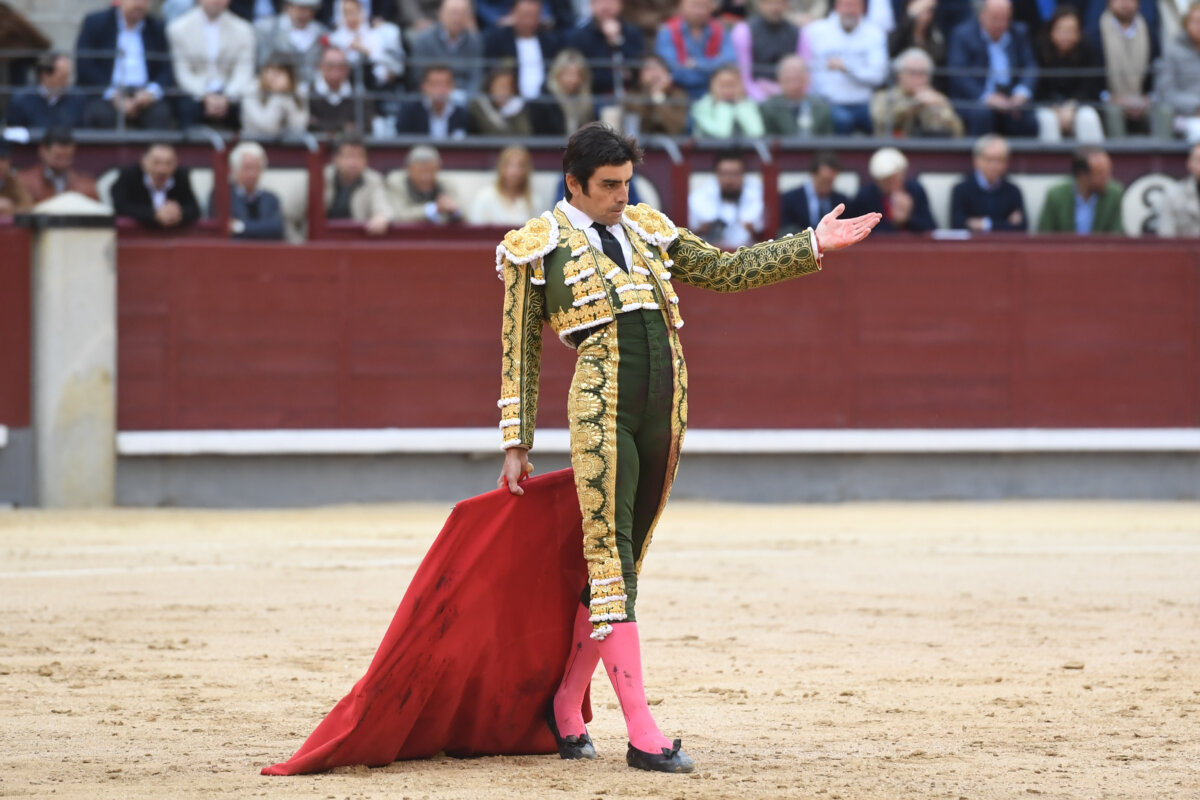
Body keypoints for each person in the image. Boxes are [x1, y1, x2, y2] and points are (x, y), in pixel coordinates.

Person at [75, 0, 177, 130]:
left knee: (161, 114)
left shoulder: (156, 27)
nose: (140, 4)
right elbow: (85, 66)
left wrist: (150, 93)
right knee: (101, 115)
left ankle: (156, 151)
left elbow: (166, 69)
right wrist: (113, 95)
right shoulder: (95, 22)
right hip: (107, 93)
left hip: (144, 94)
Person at [946, 0, 1039, 137]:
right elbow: (958, 74)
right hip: (978, 99)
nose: (1000, 24)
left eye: (1005, 19)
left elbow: (1030, 66)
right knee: (982, 115)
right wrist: (987, 97)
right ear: (982, 15)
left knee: (1027, 118)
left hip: (1011, 98)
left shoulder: (1019, 32)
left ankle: (1026, 159)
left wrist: (1021, 93)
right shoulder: (962, 34)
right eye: (995, 19)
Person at [800, 0, 889, 134]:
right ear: (836, 7)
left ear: (863, 9)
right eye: (846, 5)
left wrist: (847, 68)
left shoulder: (875, 33)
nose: (849, 11)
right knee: (842, 120)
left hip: (865, 103)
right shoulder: (814, 31)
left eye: (854, 6)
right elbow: (804, 68)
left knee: (883, 119)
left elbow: (878, 76)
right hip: (826, 103)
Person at [168, 0, 258, 128]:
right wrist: (205, 96)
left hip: (230, 93)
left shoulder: (244, 29)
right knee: (185, 106)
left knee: (248, 105)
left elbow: (244, 72)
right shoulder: (178, 28)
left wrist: (227, 97)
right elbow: (183, 74)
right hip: (195, 94)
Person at [1033, 5, 1106, 142]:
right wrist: (1055, 107)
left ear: (1079, 33)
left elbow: (1089, 87)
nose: (1065, 35)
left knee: (1088, 117)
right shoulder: (1039, 49)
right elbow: (1038, 87)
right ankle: (1051, 163)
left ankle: (1093, 162)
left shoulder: (1087, 50)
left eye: (1070, 31)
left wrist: (1072, 106)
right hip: (1048, 106)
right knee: (1046, 120)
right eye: (1061, 30)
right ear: (1051, 31)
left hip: (1077, 105)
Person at [1088, 0, 1159, 137]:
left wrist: (1147, 98)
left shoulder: (1150, 30)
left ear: (1138, 4)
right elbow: (1090, 78)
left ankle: (1160, 158)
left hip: (1143, 99)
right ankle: (1117, 157)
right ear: (1109, 3)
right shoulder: (1094, 32)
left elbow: (1157, 69)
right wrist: (1109, 98)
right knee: (1113, 112)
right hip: (1107, 99)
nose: (1125, 3)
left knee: (1163, 113)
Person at [870, 47, 964, 136]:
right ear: (900, 75)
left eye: (922, 73)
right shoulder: (884, 96)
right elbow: (880, 120)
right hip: (893, 148)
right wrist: (914, 104)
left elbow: (958, 131)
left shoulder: (937, 99)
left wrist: (938, 108)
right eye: (912, 73)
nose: (918, 79)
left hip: (929, 149)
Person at [655, 0, 738, 99]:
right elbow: (671, 67)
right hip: (676, 91)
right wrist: (711, 67)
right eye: (695, 6)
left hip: (713, 92)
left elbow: (730, 60)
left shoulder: (720, 30)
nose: (699, 11)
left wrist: (695, 64)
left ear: (711, 8)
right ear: (681, 6)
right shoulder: (667, 30)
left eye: (704, 6)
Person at [110, 142, 202, 229]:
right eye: (156, 162)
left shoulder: (181, 177)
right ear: (144, 162)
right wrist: (154, 215)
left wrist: (179, 213)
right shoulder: (129, 176)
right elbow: (120, 206)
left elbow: (194, 209)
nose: (162, 169)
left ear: (176, 164)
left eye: (168, 163)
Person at [483, 0, 560, 102]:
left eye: (534, 16)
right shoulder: (498, 40)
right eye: (525, 15)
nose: (529, 21)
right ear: (513, 13)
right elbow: (490, 73)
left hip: (544, 102)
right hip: (510, 100)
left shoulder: (549, 42)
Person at [1037, 146, 1125, 234]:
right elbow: (1044, 236)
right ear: (1082, 175)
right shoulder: (1055, 195)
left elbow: (1116, 236)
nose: (1107, 178)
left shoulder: (1114, 194)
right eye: (1100, 174)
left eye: (1107, 172)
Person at [567, 0, 645, 98]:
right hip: (594, 96)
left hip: (631, 95)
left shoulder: (633, 33)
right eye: (601, 2)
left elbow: (637, 69)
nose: (606, 7)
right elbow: (584, 75)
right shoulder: (579, 37)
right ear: (591, 6)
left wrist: (617, 41)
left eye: (611, 2)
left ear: (621, 5)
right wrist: (621, 76)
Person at [687, 149, 765, 248]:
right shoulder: (698, 199)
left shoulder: (759, 198)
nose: (729, 180)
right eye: (724, 174)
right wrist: (701, 230)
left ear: (743, 175)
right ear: (716, 174)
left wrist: (754, 231)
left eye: (735, 174)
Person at [949, 134, 1027, 231]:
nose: (994, 165)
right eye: (989, 159)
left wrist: (984, 224)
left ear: (1007, 163)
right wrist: (1005, 224)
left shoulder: (1013, 191)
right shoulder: (961, 189)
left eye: (999, 160)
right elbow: (958, 226)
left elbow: (1021, 228)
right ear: (977, 160)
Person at [849, 146, 936, 232]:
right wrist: (894, 223)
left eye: (895, 178)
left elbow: (930, 228)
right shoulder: (865, 197)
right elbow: (862, 233)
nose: (892, 184)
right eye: (887, 180)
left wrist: (908, 217)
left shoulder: (915, 191)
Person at [210, 141, 285, 239]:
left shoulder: (271, 199)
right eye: (248, 168)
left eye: (257, 168)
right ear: (234, 170)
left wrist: (239, 227)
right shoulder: (222, 196)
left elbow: (276, 229)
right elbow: (220, 228)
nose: (252, 174)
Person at [730, 0, 802, 101]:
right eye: (770, 3)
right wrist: (761, 99)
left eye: (780, 3)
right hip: (754, 95)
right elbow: (743, 74)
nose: (775, 8)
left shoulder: (797, 32)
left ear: (787, 6)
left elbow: (803, 72)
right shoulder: (743, 31)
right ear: (760, 5)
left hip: (789, 95)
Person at [323, 133, 393, 235]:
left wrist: (382, 216)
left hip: (358, 241)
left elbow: (383, 206)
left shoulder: (374, 180)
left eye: (360, 156)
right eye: (349, 156)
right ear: (335, 158)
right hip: (320, 241)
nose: (354, 162)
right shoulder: (321, 177)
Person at [409, 0, 484, 95]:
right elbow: (419, 76)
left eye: (462, 13)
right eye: (453, 13)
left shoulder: (474, 41)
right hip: (433, 96)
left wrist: (468, 97)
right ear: (441, 14)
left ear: (469, 17)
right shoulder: (424, 40)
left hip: (465, 97)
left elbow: (476, 76)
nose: (457, 18)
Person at [328, 0, 405, 89]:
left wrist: (366, 51)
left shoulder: (376, 34)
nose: (351, 17)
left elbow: (393, 67)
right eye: (346, 13)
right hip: (346, 88)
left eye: (354, 12)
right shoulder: (334, 39)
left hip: (377, 87)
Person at [16, 127, 100, 204]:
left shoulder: (85, 185)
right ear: (42, 151)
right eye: (58, 157)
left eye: (67, 157)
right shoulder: (24, 182)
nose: (63, 162)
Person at [4, 52, 87, 130]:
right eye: (62, 78)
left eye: (67, 77)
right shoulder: (21, 100)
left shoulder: (78, 98)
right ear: (45, 76)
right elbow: (13, 136)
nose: (66, 83)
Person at [254, 0, 328, 85]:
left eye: (309, 9)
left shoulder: (322, 33)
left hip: (313, 91)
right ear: (288, 7)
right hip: (277, 89)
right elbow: (262, 64)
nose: (304, 14)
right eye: (300, 8)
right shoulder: (266, 30)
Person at [387, 144, 463, 223]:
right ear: (409, 169)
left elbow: (464, 214)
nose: (426, 177)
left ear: (438, 169)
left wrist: (454, 210)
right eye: (420, 172)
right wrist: (434, 208)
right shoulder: (397, 183)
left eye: (431, 171)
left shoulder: (446, 184)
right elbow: (400, 215)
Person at [760, 55, 834, 136]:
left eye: (797, 79)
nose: (793, 85)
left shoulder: (821, 107)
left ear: (807, 79)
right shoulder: (769, 107)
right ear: (779, 80)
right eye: (788, 79)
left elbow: (828, 141)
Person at [1158, 2, 1200, 141]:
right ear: (1185, 24)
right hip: (1185, 116)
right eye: (1195, 21)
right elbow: (1166, 92)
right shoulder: (1173, 51)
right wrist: (1195, 106)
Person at [780, 150, 849, 233]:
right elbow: (787, 230)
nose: (827, 185)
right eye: (824, 180)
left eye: (830, 181)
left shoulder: (841, 201)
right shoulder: (791, 200)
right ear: (814, 174)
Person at [531, 49, 598, 136]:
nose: (573, 80)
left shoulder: (586, 101)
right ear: (557, 73)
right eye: (568, 74)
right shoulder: (544, 103)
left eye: (578, 74)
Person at [308, 46, 373, 133]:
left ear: (348, 69)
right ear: (320, 66)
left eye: (340, 67)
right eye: (330, 66)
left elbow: (366, 127)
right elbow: (306, 125)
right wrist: (344, 127)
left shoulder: (361, 97)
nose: (335, 71)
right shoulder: (306, 94)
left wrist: (322, 125)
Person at [690, 63, 765, 138]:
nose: (727, 90)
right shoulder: (701, 107)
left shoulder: (749, 105)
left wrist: (742, 108)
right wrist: (724, 107)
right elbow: (721, 134)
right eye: (722, 85)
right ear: (711, 86)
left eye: (732, 85)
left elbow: (757, 133)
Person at [395, 63, 471, 139]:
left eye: (445, 84)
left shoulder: (464, 115)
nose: (440, 89)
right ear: (424, 86)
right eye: (435, 84)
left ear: (453, 86)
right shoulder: (410, 112)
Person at [466, 145, 537, 225]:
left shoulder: (534, 201)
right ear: (500, 167)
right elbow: (475, 231)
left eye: (520, 166)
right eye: (509, 165)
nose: (514, 171)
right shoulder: (484, 197)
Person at [620, 54, 690, 135]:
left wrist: (658, 97)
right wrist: (652, 96)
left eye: (659, 67)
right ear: (639, 76)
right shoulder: (631, 97)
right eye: (649, 69)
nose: (655, 73)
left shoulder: (678, 95)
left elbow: (675, 129)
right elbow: (644, 127)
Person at [241, 56, 310, 136]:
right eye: (271, 69)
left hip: (290, 144)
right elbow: (267, 128)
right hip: (256, 141)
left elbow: (299, 127)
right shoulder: (251, 91)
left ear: (290, 76)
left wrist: (286, 96)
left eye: (280, 71)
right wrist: (277, 96)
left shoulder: (299, 92)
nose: (274, 75)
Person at [469, 66, 535, 136]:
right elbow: (491, 134)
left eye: (509, 86)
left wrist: (514, 111)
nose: (505, 91)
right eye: (501, 86)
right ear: (490, 86)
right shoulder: (478, 106)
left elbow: (526, 134)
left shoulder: (516, 106)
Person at [1156, 141, 1200, 235]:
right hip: (1185, 249)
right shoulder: (1172, 195)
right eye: (1198, 160)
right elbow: (1166, 237)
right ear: (1189, 163)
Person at [888, 0, 946, 65]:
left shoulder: (934, 33)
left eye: (928, 11)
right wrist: (910, 16)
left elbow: (939, 57)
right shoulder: (902, 32)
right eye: (921, 12)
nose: (924, 17)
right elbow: (892, 49)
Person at [0, 142, 35, 216]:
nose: (1, 165)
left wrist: (11, 209)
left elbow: (28, 206)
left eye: (3, 159)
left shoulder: (12, 180)